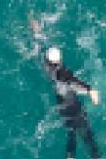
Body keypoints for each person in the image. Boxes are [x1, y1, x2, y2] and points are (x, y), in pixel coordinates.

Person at [30, 20, 102, 159]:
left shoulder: (46, 65)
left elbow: (41, 45)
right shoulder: (60, 71)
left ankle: (70, 156)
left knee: (72, 131)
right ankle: (96, 157)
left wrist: (36, 31)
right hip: (71, 104)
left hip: (61, 102)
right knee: (86, 133)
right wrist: (89, 90)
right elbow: (71, 80)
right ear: (59, 60)